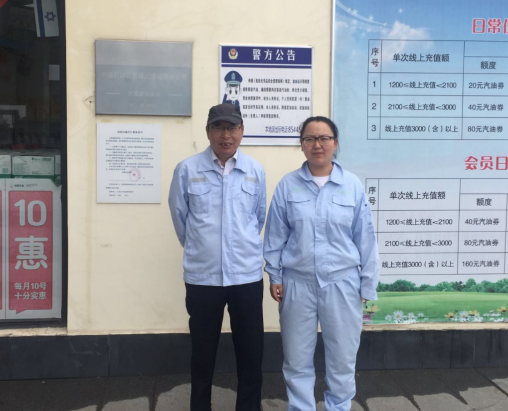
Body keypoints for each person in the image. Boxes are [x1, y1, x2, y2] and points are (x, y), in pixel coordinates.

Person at [263, 116, 379, 411]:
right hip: (297, 283)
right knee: (296, 359)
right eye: (309, 139)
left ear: (335, 143)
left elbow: (365, 238)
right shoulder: (288, 186)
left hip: (342, 283)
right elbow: (275, 235)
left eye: (324, 138)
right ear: (301, 145)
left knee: (342, 357)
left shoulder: (351, 186)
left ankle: (338, 407)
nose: (317, 144)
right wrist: (274, 275)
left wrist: (368, 284)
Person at [169, 103, 266, 411]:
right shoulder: (187, 169)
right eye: (219, 128)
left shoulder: (254, 170)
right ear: (208, 131)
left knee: (251, 355)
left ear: (242, 131)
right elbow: (180, 219)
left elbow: (258, 217)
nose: (226, 135)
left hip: (246, 277)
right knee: (202, 355)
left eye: (232, 128)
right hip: (203, 278)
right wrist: (201, 247)